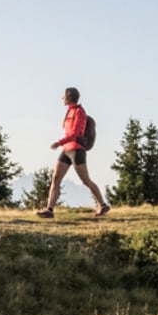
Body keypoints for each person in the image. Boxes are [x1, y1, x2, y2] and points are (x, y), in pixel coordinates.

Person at [37, 87, 107, 218]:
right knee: (56, 178)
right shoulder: (69, 112)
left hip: (76, 150)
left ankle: (103, 205)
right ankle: (49, 209)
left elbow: (75, 134)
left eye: (63, 96)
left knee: (86, 180)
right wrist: (63, 144)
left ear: (69, 97)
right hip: (66, 149)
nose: (62, 98)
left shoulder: (79, 112)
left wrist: (59, 142)